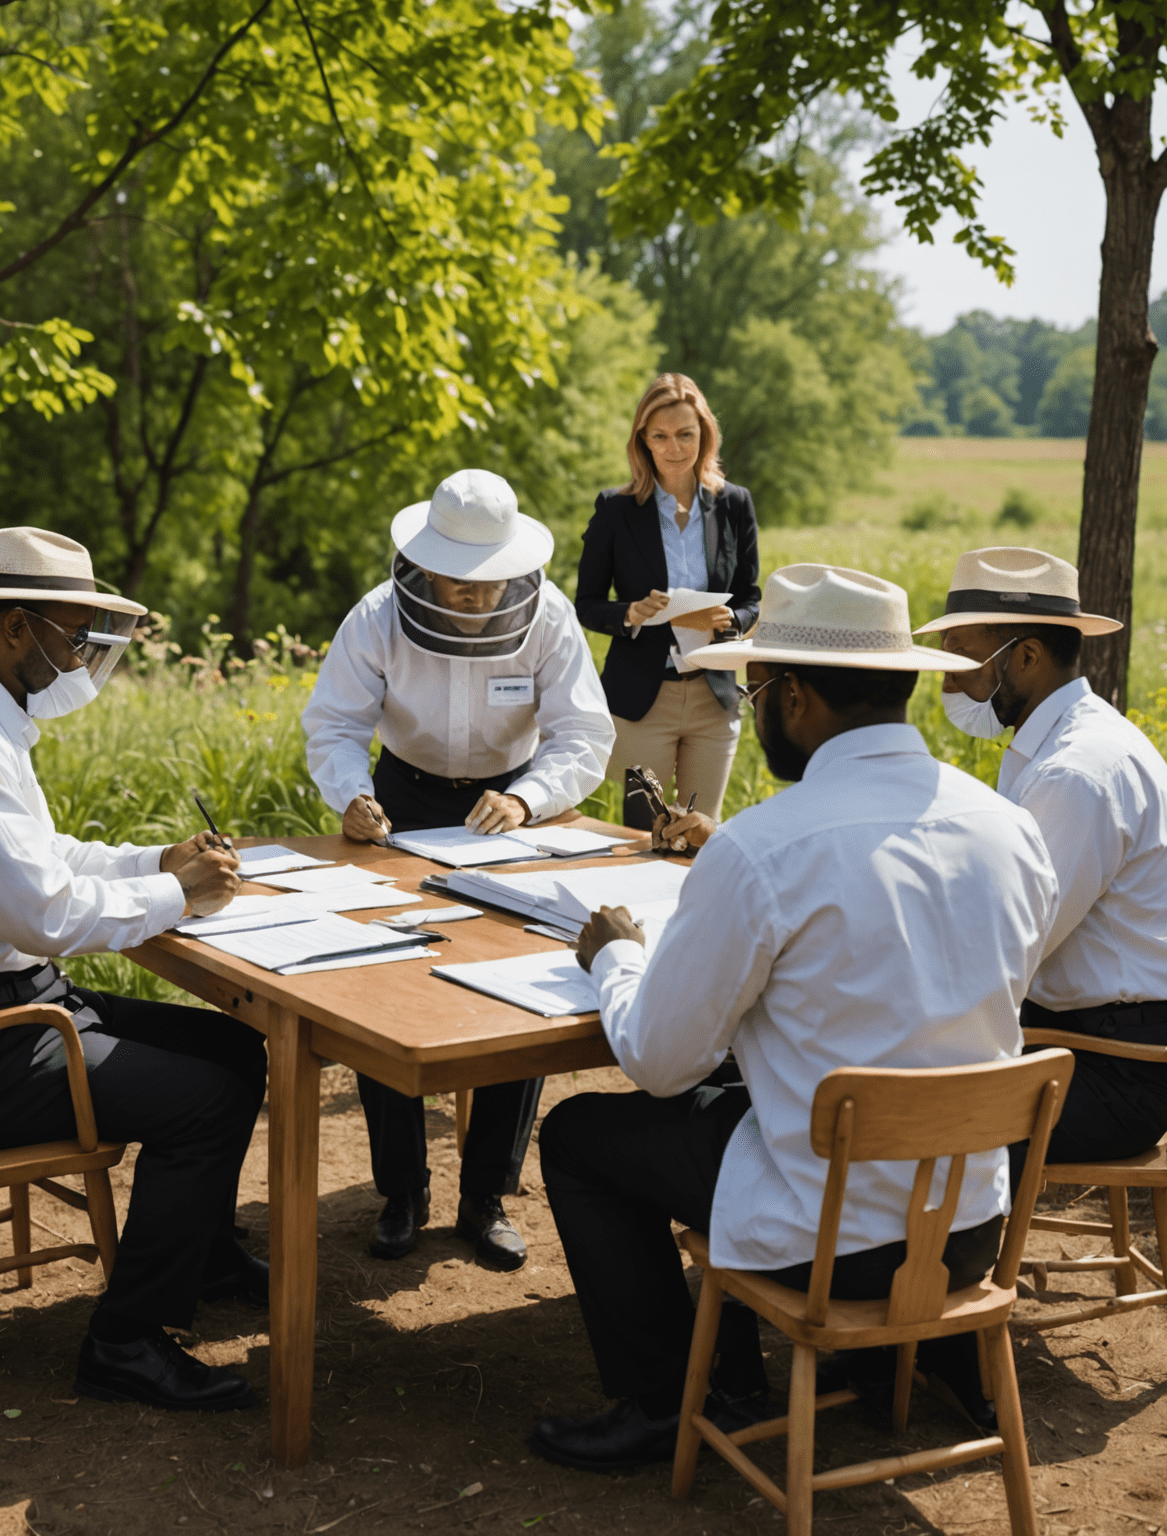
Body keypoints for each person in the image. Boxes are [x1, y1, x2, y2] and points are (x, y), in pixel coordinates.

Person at [528, 563, 1060, 1473]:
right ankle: (888, 1352)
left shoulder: (763, 845)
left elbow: (660, 1061)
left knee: (581, 1134)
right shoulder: (1007, 825)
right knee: (756, 1085)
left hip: (836, 1240)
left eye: (754, 685)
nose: (747, 705)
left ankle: (673, 1400)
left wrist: (616, 955)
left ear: (798, 698)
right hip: (968, 1224)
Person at [0, 527, 270, 1414]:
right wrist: (180, 896)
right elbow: (37, 913)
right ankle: (126, 1343)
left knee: (231, 1049)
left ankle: (199, 1256)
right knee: (207, 1101)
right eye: (76, 635)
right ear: (15, 630)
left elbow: (41, 858)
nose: (85, 659)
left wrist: (153, 862)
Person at [302, 469, 614, 1270]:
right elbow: (334, 723)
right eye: (458, 582)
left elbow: (584, 734)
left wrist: (531, 798)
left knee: (522, 990)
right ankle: (401, 1191)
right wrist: (352, 795)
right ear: (424, 563)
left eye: (489, 584)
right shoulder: (376, 616)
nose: (474, 596)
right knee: (384, 988)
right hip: (400, 796)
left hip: (508, 809)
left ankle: (487, 1196)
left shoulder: (551, 618)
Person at [919, 545, 1167, 1185]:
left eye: (962, 657)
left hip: (1113, 1070)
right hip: (1084, 1036)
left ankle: (901, 1275)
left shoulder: (1075, 774)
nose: (947, 680)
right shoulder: (1056, 743)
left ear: (1025, 658)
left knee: (900, 1123)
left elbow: (1009, 948)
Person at [574, 373, 761, 830]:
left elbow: (751, 597)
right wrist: (631, 614)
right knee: (642, 834)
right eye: (660, 436)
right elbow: (587, 603)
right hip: (642, 699)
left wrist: (733, 619)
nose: (674, 447)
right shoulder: (615, 509)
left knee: (701, 831)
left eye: (685, 435)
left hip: (712, 695)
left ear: (705, 435)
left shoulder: (734, 504)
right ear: (642, 440)